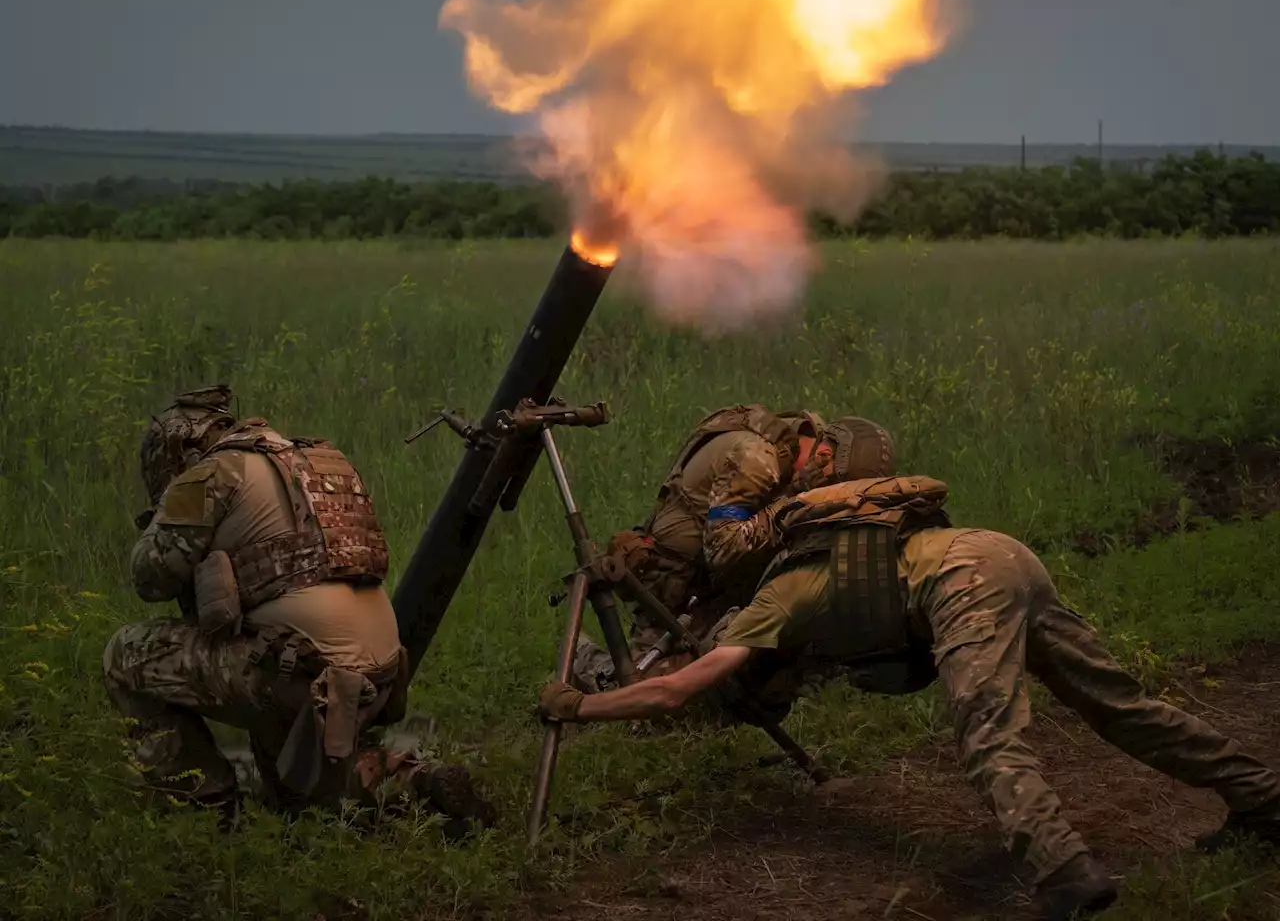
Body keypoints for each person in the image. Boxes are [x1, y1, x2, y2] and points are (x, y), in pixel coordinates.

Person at [539, 471, 1280, 920]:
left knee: (988, 730)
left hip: (964, 587)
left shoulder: (775, 598)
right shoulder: (827, 555)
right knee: (1116, 704)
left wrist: (579, 706)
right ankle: (1260, 794)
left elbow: (677, 691)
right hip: (1004, 554)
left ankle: (1065, 870)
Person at [103, 386, 493, 833]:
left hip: (299, 673)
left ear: (179, 452)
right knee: (301, 805)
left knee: (125, 655)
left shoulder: (210, 472)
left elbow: (149, 577)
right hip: (377, 670)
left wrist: (162, 515)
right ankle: (415, 779)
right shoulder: (315, 460)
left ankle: (205, 814)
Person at [573, 404, 895, 694]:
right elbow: (723, 549)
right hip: (677, 585)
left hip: (718, 577)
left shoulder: (809, 442)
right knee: (644, 696)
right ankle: (583, 658)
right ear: (824, 456)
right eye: (837, 488)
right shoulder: (757, 459)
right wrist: (795, 503)